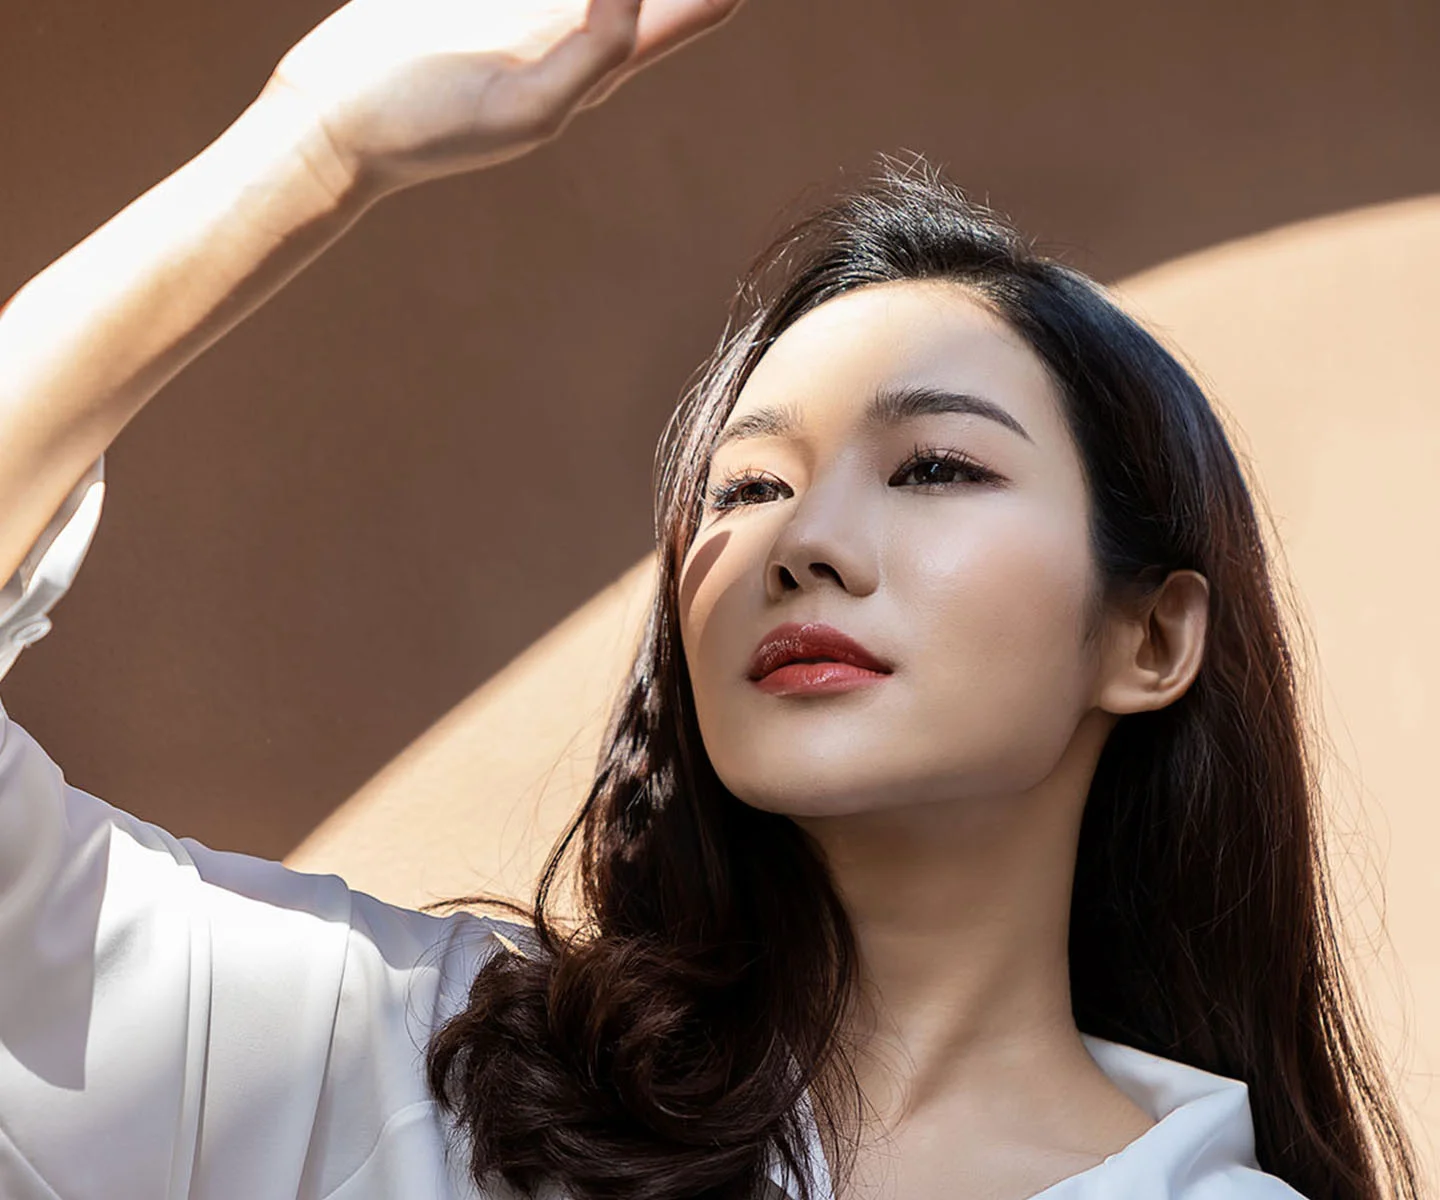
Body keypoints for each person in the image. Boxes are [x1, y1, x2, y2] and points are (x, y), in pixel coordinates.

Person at [0, 1, 1423, 1197]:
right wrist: (314, 146)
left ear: (1150, 635)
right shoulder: (409, 1070)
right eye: (745, 486)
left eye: (933, 467)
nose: (804, 541)